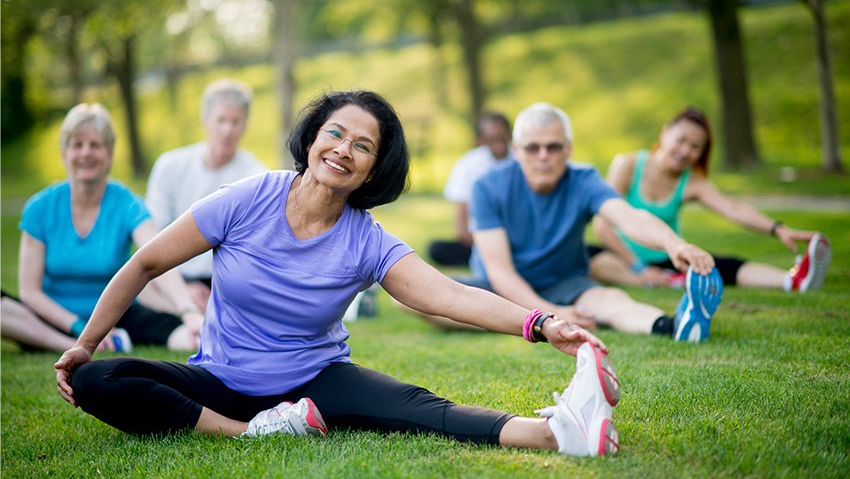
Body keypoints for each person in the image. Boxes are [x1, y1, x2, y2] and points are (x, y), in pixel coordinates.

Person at [56, 90, 622, 457]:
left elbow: (447, 296)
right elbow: (147, 261)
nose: (343, 150)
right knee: (96, 380)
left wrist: (543, 324)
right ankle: (253, 432)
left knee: (421, 411)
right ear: (311, 138)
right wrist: (84, 344)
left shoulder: (366, 239)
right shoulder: (248, 198)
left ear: (375, 167)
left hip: (315, 381)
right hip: (221, 382)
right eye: (334, 133)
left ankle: (557, 432)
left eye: (363, 146)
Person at [446, 102, 723, 342]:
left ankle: (674, 327)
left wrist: (674, 244)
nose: (543, 156)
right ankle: (513, 319)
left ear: (568, 148)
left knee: (610, 300)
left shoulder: (583, 179)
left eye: (553, 147)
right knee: (417, 302)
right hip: (496, 290)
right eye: (533, 148)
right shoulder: (486, 187)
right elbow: (500, 272)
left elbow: (628, 217)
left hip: (565, 283)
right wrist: (549, 315)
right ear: (516, 150)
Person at [0, 104, 202, 353]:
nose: (86, 153)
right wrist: (79, 327)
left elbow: (159, 254)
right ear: (64, 153)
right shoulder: (39, 208)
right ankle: (75, 344)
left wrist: (188, 311)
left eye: (95, 145)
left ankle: (93, 342)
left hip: (117, 314)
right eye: (77, 145)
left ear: (109, 154)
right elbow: (30, 293)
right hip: (54, 317)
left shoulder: (128, 204)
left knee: (186, 334)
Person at [589, 106, 831, 292]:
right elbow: (602, 226)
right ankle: (654, 281)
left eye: (695, 147)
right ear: (665, 133)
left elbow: (732, 209)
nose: (685, 151)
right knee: (594, 261)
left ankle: (792, 280)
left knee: (719, 264)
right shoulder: (627, 165)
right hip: (620, 256)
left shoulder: (692, 181)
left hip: (669, 256)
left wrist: (778, 229)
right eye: (681, 140)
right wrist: (639, 268)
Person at [145, 79, 268, 311]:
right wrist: (181, 288)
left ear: (245, 126)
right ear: (206, 121)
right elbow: (154, 238)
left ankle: (191, 322)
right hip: (171, 276)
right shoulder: (170, 165)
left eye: (235, 122)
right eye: (221, 120)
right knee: (138, 285)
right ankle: (189, 316)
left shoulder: (256, 176)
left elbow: (251, 251)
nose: (227, 130)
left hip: (223, 281)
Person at [428, 111, 513, 266]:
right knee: (436, 248)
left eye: (502, 138)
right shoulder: (468, 165)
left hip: (517, 237)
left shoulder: (523, 160)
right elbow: (461, 227)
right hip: (481, 238)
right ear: (480, 140)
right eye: (492, 140)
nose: (499, 144)